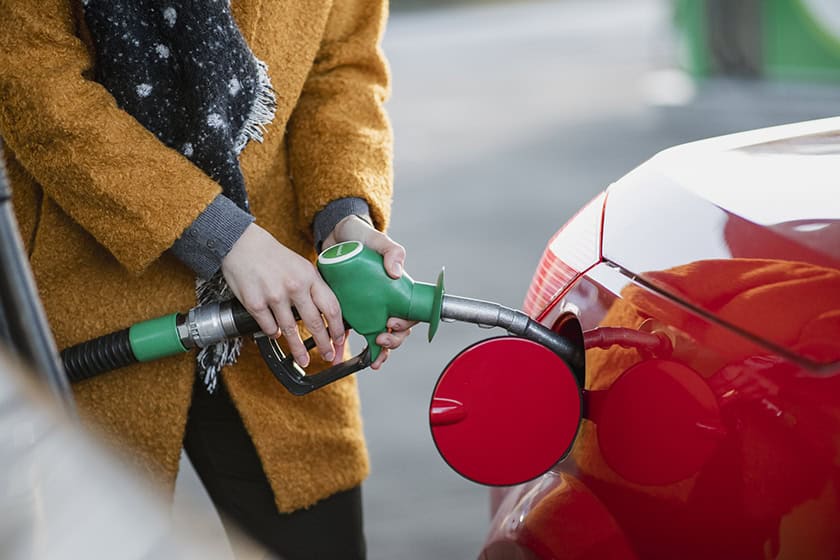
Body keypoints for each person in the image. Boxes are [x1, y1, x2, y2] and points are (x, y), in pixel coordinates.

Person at [0, 0, 408, 558]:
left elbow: (342, 67)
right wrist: (223, 237)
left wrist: (344, 214)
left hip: (280, 301)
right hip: (88, 289)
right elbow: (35, 86)